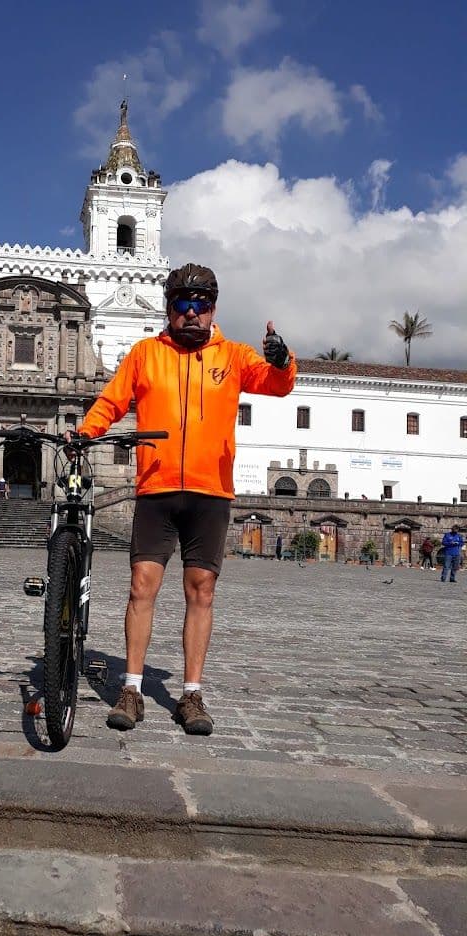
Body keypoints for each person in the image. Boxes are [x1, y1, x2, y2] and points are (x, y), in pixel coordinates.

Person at [73, 263, 296, 736]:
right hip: (156, 488)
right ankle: (131, 688)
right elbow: (112, 401)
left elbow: (277, 384)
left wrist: (282, 358)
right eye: (183, 305)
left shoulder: (234, 356)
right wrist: (85, 432)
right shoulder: (145, 355)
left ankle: (191, 694)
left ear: (213, 309)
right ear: (169, 308)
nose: (193, 314)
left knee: (202, 591)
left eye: (203, 305)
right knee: (141, 587)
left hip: (210, 492)